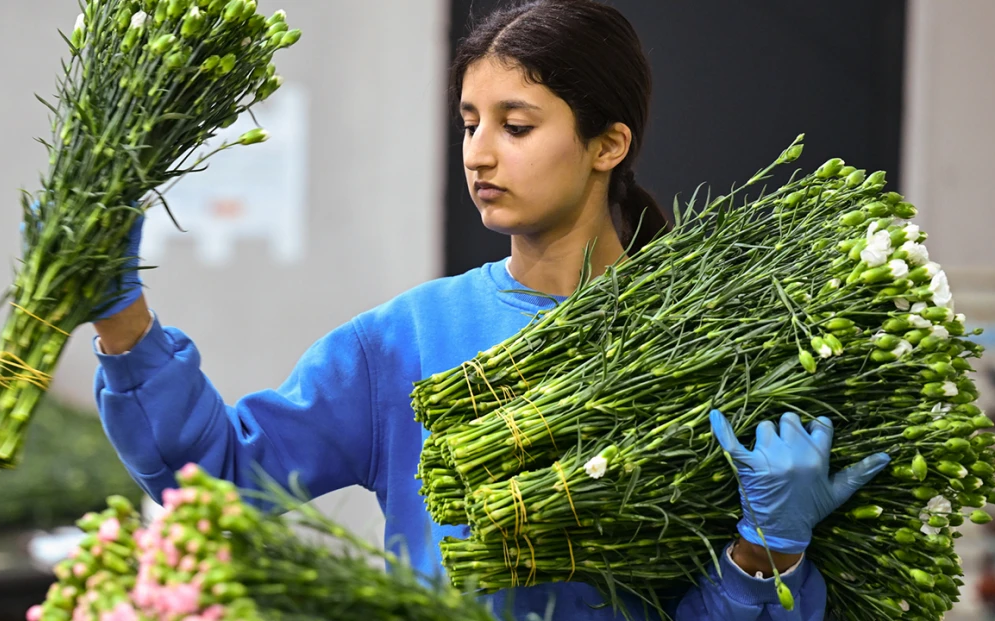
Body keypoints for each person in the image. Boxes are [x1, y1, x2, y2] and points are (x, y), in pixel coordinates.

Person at [86, 1, 890, 618]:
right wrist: (123, 320)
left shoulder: (715, 345)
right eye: (469, 123)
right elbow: (223, 476)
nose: (477, 151)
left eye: (515, 125)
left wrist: (768, 551)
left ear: (607, 144)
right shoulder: (403, 341)